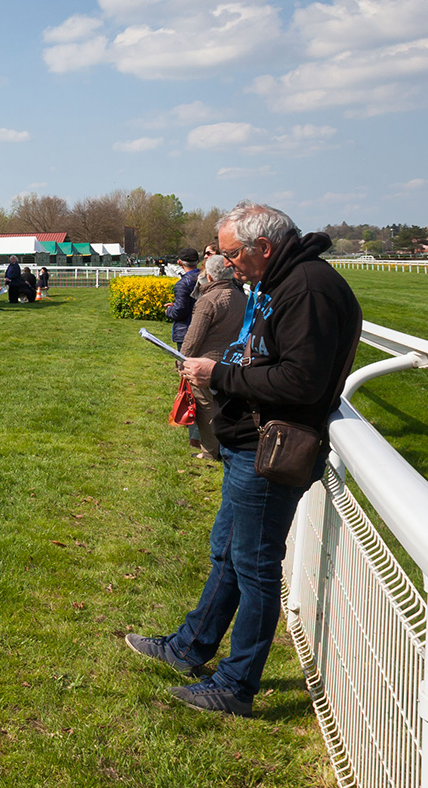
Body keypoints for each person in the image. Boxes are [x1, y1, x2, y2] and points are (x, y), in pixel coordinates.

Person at [127, 202, 361, 718]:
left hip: (270, 449)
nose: (226, 263)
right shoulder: (284, 280)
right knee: (228, 552)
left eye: (232, 254)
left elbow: (302, 381)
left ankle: (236, 686)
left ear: (265, 248)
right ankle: (192, 647)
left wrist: (219, 374)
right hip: (251, 443)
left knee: (254, 567)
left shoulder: (307, 288)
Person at [178, 252, 249, 460]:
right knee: (227, 408)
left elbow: (193, 338)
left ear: (209, 276)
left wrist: (181, 362)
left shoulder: (208, 300)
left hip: (205, 365)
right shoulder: (240, 296)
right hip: (233, 363)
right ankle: (226, 448)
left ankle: (210, 452)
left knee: (206, 409)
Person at [165, 249, 202, 346]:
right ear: (198, 261)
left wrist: (169, 310)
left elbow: (180, 311)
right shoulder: (206, 278)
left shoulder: (182, 284)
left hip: (186, 331)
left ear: (179, 262)